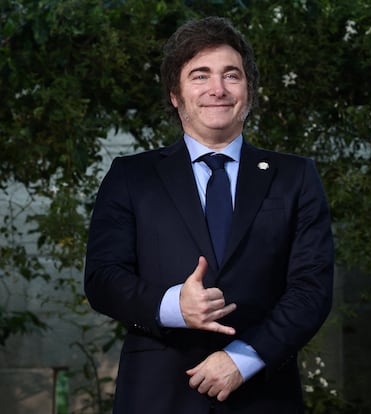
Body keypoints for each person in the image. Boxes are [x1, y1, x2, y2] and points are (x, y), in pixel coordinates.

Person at [84, 16, 334, 414]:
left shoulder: (295, 177)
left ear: (248, 92)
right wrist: (173, 306)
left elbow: (311, 289)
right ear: (175, 94)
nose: (217, 89)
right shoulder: (132, 176)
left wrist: (244, 358)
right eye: (200, 76)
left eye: (231, 76)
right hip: (158, 395)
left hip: (264, 395)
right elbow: (102, 279)